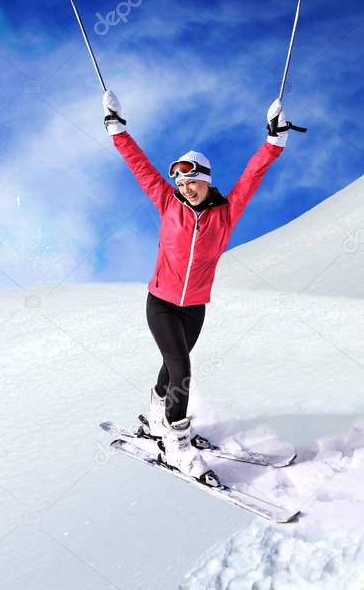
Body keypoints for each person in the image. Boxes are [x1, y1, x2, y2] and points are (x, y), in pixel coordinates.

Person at [102, 90, 298, 481]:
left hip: (194, 307)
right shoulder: (167, 203)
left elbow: (252, 176)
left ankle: (157, 420)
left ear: (206, 181)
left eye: (192, 179)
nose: (185, 186)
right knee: (182, 367)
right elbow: (140, 167)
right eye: (180, 180)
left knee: (171, 366)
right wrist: (117, 128)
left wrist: (273, 141)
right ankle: (176, 443)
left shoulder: (226, 215)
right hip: (160, 302)